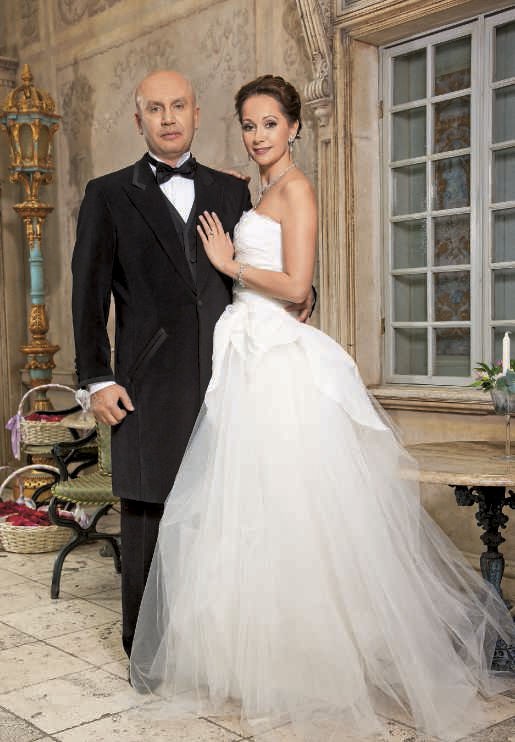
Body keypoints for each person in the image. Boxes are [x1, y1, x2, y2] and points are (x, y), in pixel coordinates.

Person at [130, 75, 514, 741]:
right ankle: (263, 659)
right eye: (249, 124)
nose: (258, 136)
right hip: (249, 354)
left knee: (291, 509)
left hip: (275, 360)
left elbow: (297, 283)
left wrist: (228, 262)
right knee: (249, 509)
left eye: (270, 124)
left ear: (295, 127)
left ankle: (306, 664)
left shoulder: (298, 189)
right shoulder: (261, 189)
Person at [71, 69, 313, 659]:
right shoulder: (108, 194)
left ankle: (211, 652)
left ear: (197, 114)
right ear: (139, 121)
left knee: (226, 512)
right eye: (155, 109)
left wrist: (303, 298)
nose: (169, 118)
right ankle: (145, 652)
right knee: (148, 510)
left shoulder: (231, 191)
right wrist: (96, 379)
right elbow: (87, 294)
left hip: (232, 376)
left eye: (178, 106)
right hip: (147, 383)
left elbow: (271, 262)